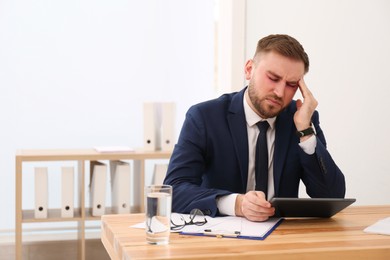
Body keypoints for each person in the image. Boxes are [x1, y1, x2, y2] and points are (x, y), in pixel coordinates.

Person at [164, 34, 346, 222]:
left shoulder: (301, 120)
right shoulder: (204, 117)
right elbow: (174, 190)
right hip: (221, 237)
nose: (280, 92)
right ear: (249, 69)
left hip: (282, 238)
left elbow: (332, 197)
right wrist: (236, 204)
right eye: (273, 78)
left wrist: (305, 132)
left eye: (291, 84)